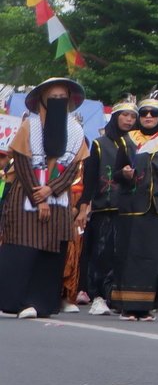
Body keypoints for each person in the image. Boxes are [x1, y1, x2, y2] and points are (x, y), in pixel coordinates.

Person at [0, 77, 89, 317]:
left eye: (62, 98)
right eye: (53, 98)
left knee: (51, 250)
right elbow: (20, 160)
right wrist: (38, 197)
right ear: (42, 99)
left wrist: (51, 189)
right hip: (26, 193)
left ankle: (41, 303)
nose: (58, 102)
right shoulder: (29, 126)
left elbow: (73, 168)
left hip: (58, 197)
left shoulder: (76, 129)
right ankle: (11, 302)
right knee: (21, 247)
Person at [104, 97, 158, 321]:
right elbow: (117, 173)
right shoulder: (127, 140)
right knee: (128, 255)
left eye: (154, 113)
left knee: (152, 257)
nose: (148, 117)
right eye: (145, 113)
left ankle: (145, 306)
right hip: (131, 206)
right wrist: (125, 174)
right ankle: (126, 306)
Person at [81, 97, 138, 314]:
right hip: (104, 205)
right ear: (115, 117)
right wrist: (85, 204)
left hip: (128, 206)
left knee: (121, 254)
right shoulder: (99, 143)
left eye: (133, 116)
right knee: (101, 252)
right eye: (125, 115)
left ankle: (115, 296)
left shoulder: (135, 144)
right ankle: (97, 296)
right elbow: (91, 177)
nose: (129, 119)